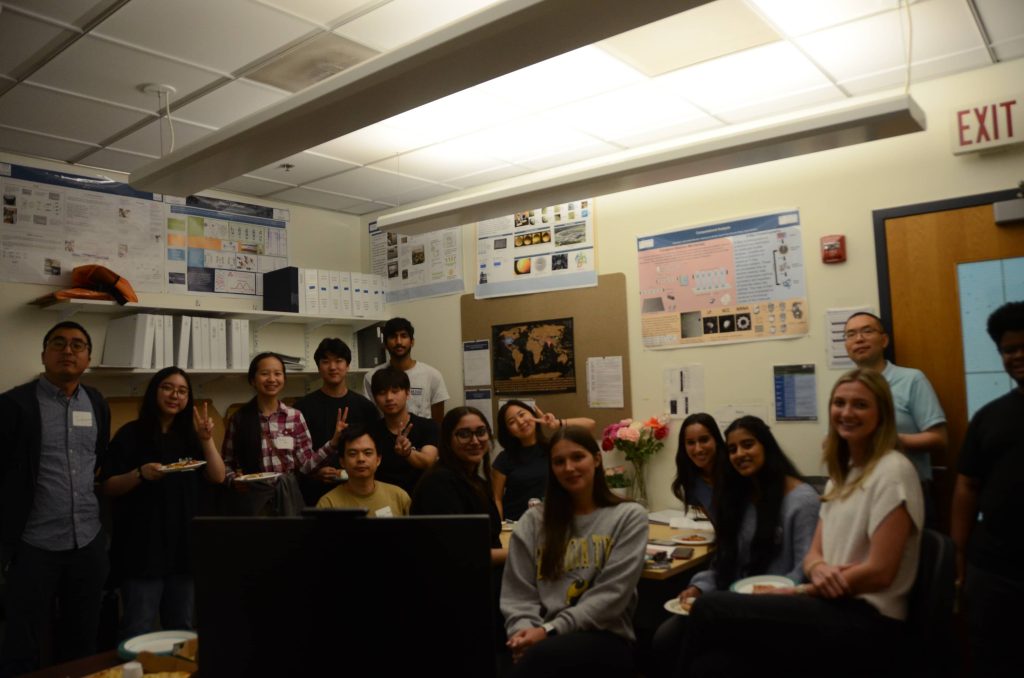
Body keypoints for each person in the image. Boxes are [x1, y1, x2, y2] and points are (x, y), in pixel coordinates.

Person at [680, 370, 923, 678]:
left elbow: (881, 572)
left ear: (882, 414)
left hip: (869, 618)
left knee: (710, 609)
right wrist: (818, 570)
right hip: (829, 606)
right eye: (839, 403)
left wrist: (805, 589)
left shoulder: (893, 470)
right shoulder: (841, 478)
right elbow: (813, 556)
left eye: (860, 405)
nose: (847, 412)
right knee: (710, 665)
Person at [653, 415, 818, 677]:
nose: (740, 454)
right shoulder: (737, 497)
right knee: (665, 638)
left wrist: (768, 594)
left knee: (705, 647)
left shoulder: (802, 500)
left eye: (748, 445)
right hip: (734, 601)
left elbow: (805, 569)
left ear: (766, 446)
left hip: (777, 608)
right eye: (732, 449)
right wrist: (699, 586)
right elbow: (725, 559)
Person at [0, 321, 111, 675]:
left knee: (82, 639)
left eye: (78, 345)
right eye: (58, 343)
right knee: (22, 642)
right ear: (44, 354)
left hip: (87, 541)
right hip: (34, 544)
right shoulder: (14, 404)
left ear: (88, 358)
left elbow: (98, 457)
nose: (68, 351)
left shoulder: (96, 402)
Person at [500, 426, 648, 678]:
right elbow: (518, 595)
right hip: (540, 640)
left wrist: (547, 632)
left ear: (597, 459)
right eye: (559, 462)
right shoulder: (533, 521)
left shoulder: (628, 516)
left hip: (604, 637)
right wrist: (521, 635)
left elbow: (611, 597)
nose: (569, 468)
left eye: (578, 457)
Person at [100, 367, 226, 639]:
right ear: (154, 391)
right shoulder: (131, 433)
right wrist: (139, 474)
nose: (174, 395)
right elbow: (108, 486)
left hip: (184, 547)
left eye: (182, 391)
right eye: (167, 388)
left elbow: (218, 476)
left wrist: (206, 440)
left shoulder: (192, 436)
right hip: (142, 549)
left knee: (181, 629)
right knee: (138, 629)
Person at [951, 301, 1024, 676]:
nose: (1017, 356)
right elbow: (967, 486)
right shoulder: (989, 417)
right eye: (1009, 350)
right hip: (994, 571)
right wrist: (959, 556)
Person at [844, 311, 946, 522]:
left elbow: (939, 438)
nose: (859, 339)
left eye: (867, 331)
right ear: (846, 346)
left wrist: (886, 440)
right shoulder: (845, 388)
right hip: (859, 489)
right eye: (851, 334)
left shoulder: (912, 379)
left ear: (884, 340)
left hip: (908, 488)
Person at [222, 352, 341, 515]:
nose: (272, 379)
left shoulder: (295, 416)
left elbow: (306, 465)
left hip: (288, 497)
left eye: (277, 374)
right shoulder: (239, 418)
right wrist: (233, 480)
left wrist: (333, 443)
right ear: (252, 380)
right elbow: (226, 462)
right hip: (252, 500)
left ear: (284, 379)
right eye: (265, 373)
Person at [410, 406, 504, 565]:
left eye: (481, 432)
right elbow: (457, 553)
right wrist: (517, 553)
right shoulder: (438, 483)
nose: (475, 441)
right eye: (464, 434)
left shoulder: (477, 481)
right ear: (448, 440)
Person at [294, 337, 378, 505]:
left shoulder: (366, 407)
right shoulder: (301, 408)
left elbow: (375, 452)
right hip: (314, 494)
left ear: (347, 366)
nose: (332, 367)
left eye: (339, 361)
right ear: (319, 367)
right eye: (326, 362)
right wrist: (315, 473)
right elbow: (296, 461)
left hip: (358, 493)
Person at [492, 399, 595, 520]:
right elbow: (496, 498)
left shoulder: (554, 449)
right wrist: (499, 527)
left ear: (533, 415)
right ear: (508, 431)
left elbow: (590, 424)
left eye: (522, 414)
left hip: (554, 521)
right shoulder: (504, 458)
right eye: (511, 422)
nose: (520, 422)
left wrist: (556, 423)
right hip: (516, 523)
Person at [366, 366, 438, 495]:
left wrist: (408, 453)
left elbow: (428, 461)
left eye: (395, 391)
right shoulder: (369, 432)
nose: (389, 398)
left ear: (407, 393)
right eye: (382, 393)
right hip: (383, 500)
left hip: (421, 498)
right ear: (375, 398)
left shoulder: (428, 426)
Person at [362, 317, 449, 423]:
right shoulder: (372, 377)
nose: (398, 342)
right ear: (385, 343)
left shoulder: (432, 375)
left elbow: (438, 423)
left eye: (403, 336)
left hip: (423, 433)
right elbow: (370, 417)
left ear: (412, 342)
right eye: (393, 336)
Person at [316, 425, 411, 517]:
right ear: (342, 461)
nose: (361, 459)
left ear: (378, 459)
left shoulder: (399, 497)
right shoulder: (328, 504)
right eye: (352, 454)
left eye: (367, 453)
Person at [669, 412, 725, 520]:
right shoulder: (692, 481)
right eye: (691, 443)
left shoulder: (736, 472)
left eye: (704, 440)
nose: (698, 449)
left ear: (716, 440)